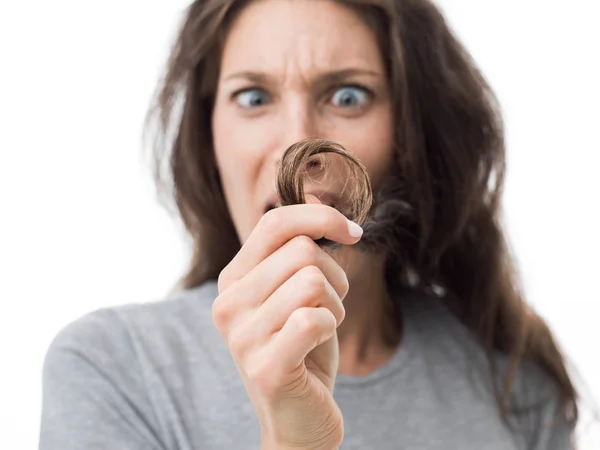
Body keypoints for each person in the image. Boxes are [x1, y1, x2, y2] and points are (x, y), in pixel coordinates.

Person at [39, 0, 579, 449]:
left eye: (348, 95)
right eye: (253, 97)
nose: (297, 145)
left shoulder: (514, 381)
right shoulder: (112, 371)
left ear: (416, 135)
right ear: (210, 144)